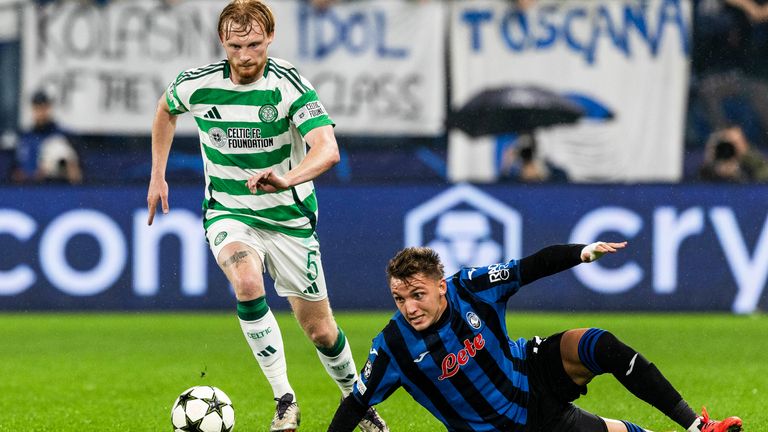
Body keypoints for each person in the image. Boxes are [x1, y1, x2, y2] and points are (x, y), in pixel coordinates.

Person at [145, 1, 386, 431]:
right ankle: (284, 399)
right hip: (229, 211)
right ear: (223, 41)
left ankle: (359, 402)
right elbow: (165, 109)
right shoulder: (197, 84)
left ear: (270, 38)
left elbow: (328, 150)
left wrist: (287, 178)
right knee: (247, 280)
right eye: (236, 45)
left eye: (255, 44)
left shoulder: (288, 84)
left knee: (321, 332)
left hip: (289, 220)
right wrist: (157, 174)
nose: (246, 55)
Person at [327, 243, 744, 432]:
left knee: (601, 345)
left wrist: (581, 253)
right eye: (399, 298)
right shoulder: (392, 347)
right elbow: (355, 406)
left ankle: (696, 426)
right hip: (516, 425)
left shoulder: (469, 286)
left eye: (417, 295)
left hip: (531, 372)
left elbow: (531, 266)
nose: (409, 308)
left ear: (440, 286)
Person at [12, 91, 83, 185]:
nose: (40, 112)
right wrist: (23, 175)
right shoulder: (24, 137)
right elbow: (14, 172)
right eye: (37, 108)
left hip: (52, 190)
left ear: (49, 108)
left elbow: (77, 175)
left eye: (43, 107)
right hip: (26, 192)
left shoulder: (63, 136)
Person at [698, 124, 768, 182]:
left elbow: (762, 179)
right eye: (726, 142)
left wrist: (738, 172)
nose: (728, 148)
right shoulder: (708, 170)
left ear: (744, 142)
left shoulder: (757, 165)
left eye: (735, 142)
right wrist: (711, 161)